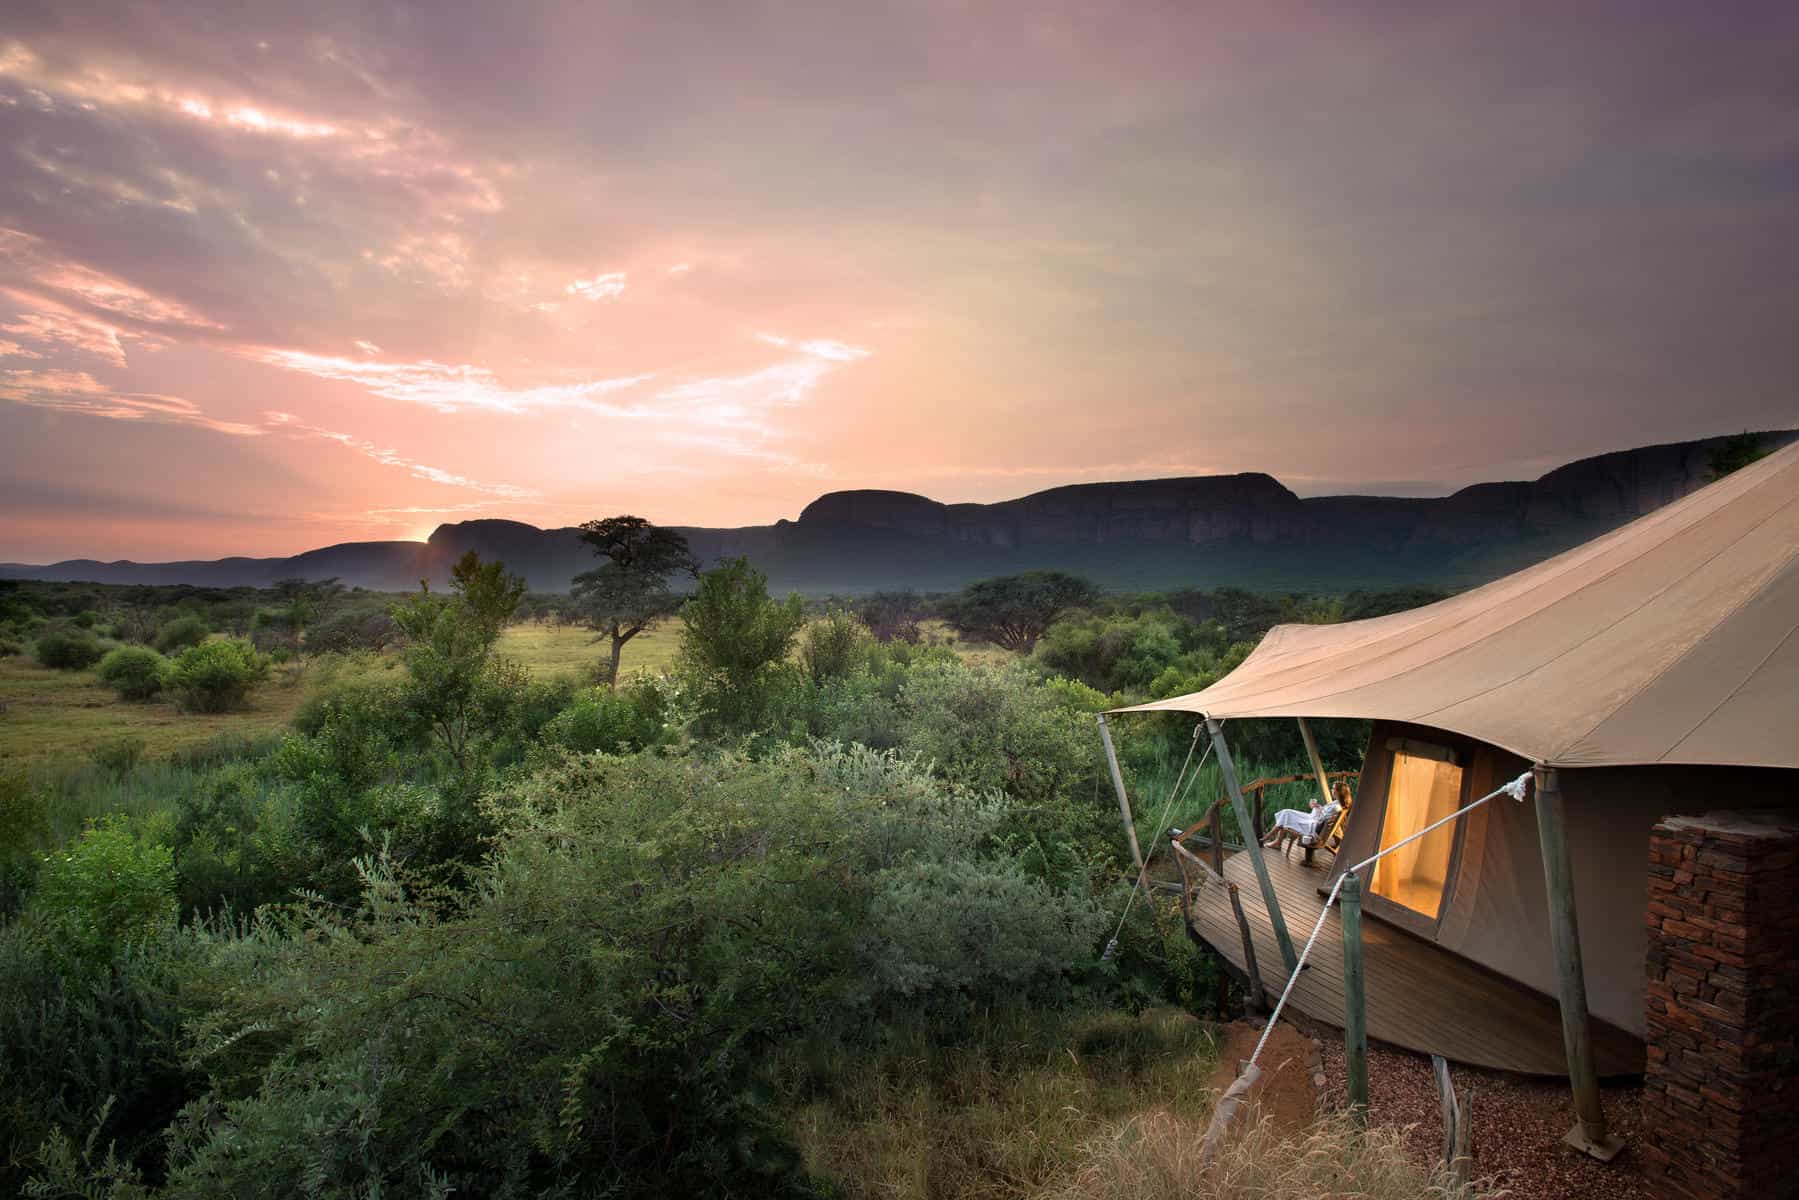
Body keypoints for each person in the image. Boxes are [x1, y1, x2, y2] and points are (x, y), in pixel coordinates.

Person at [1262, 781, 1348, 855]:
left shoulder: (1336, 807)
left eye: (1333, 788)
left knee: (1286, 816)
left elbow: (1321, 820)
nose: (1331, 790)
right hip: (1314, 822)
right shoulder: (1338, 803)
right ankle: (1274, 840)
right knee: (1287, 812)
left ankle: (1268, 837)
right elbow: (1324, 816)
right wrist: (1317, 807)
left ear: (1338, 792)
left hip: (1312, 828)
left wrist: (1316, 809)